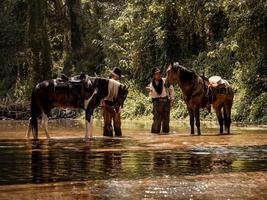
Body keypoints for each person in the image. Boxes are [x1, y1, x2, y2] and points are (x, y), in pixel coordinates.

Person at [146, 67, 174, 134]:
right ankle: (155, 134)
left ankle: (166, 133)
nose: (158, 75)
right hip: (157, 103)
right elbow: (152, 95)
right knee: (157, 120)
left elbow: (171, 89)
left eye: (159, 73)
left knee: (166, 120)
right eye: (156, 74)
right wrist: (150, 90)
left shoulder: (165, 81)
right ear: (153, 76)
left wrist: (172, 99)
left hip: (166, 102)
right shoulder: (151, 84)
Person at [102, 67, 124, 137]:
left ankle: (107, 142)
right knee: (117, 125)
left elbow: (102, 94)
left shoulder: (106, 82)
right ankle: (117, 141)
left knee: (107, 125)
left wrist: (102, 102)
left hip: (108, 104)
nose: (118, 78)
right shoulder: (119, 84)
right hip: (115, 105)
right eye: (118, 77)